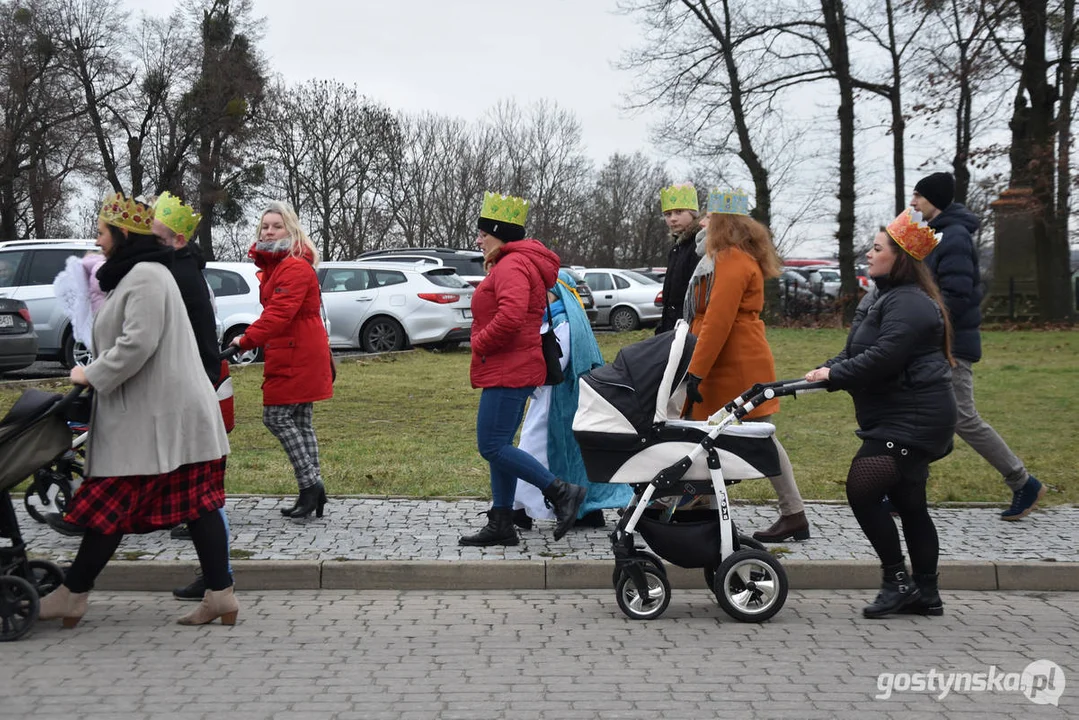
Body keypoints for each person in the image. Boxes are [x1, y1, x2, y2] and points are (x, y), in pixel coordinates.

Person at [37, 192, 235, 628]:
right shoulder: (143, 273)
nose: (97, 240)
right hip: (164, 414)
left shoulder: (145, 276)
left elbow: (137, 344)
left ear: (123, 234)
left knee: (109, 508)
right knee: (196, 504)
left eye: (102, 232)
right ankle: (220, 595)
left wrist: (91, 375)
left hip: (159, 416)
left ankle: (73, 594)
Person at [804, 211, 957, 618]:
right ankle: (926, 593)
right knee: (910, 504)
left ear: (900, 257)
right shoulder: (880, 297)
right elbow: (856, 349)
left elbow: (884, 358)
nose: (868, 255)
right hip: (901, 413)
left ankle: (898, 582)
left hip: (915, 416)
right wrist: (825, 369)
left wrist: (835, 375)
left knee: (863, 488)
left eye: (876, 248)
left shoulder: (910, 303)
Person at [911, 172, 1045, 520]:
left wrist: (930, 324)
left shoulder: (953, 237)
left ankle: (1023, 481)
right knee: (922, 417)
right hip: (938, 342)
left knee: (963, 418)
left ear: (933, 200)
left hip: (950, 344)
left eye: (918, 197)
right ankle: (904, 491)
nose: (913, 203)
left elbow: (956, 294)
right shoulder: (938, 235)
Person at [681, 188, 810, 543]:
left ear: (722, 223)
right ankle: (700, 507)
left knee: (757, 439)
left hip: (732, 364)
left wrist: (697, 370)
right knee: (709, 435)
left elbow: (718, 321)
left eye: (709, 216)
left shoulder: (731, 260)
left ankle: (792, 512)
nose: (703, 221)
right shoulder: (728, 258)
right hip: (731, 361)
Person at [459, 191, 585, 547]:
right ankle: (501, 522)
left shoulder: (513, 265)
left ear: (499, 232)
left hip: (508, 367)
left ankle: (561, 492)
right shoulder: (513, 263)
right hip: (511, 365)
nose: (478, 239)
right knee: (499, 444)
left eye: (483, 233)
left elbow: (511, 317)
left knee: (492, 445)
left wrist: (479, 342)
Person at [150, 191, 236, 600]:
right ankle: (218, 578)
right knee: (199, 490)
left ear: (178, 239)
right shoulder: (181, 268)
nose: (149, 241)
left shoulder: (178, 276)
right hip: (197, 383)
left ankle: (219, 577)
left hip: (194, 386)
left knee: (203, 492)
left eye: (155, 234)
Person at [231, 201, 333, 520]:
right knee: (300, 421)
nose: (270, 231)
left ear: (291, 229)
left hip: (296, 351)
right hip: (296, 349)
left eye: (277, 226)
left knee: (275, 417)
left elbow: (279, 313)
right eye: (265, 226)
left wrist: (245, 339)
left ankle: (310, 486)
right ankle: (314, 490)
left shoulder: (293, 266)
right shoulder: (279, 266)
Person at [512, 270, 631, 530]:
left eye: (544, 291)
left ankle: (521, 509)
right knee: (537, 449)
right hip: (552, 398)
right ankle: (521, 507)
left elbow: (555, 363)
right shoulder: (558, 319)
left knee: (533, 449)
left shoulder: (562, 322)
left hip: (555, 400)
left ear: (558, 293)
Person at [655, 183, 703, 334]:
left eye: (679, 212)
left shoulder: (698, 245)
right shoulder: (676, 248)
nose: (673, 219)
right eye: (668, 214)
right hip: (672, 325)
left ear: (693, 214)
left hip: (687, 325)